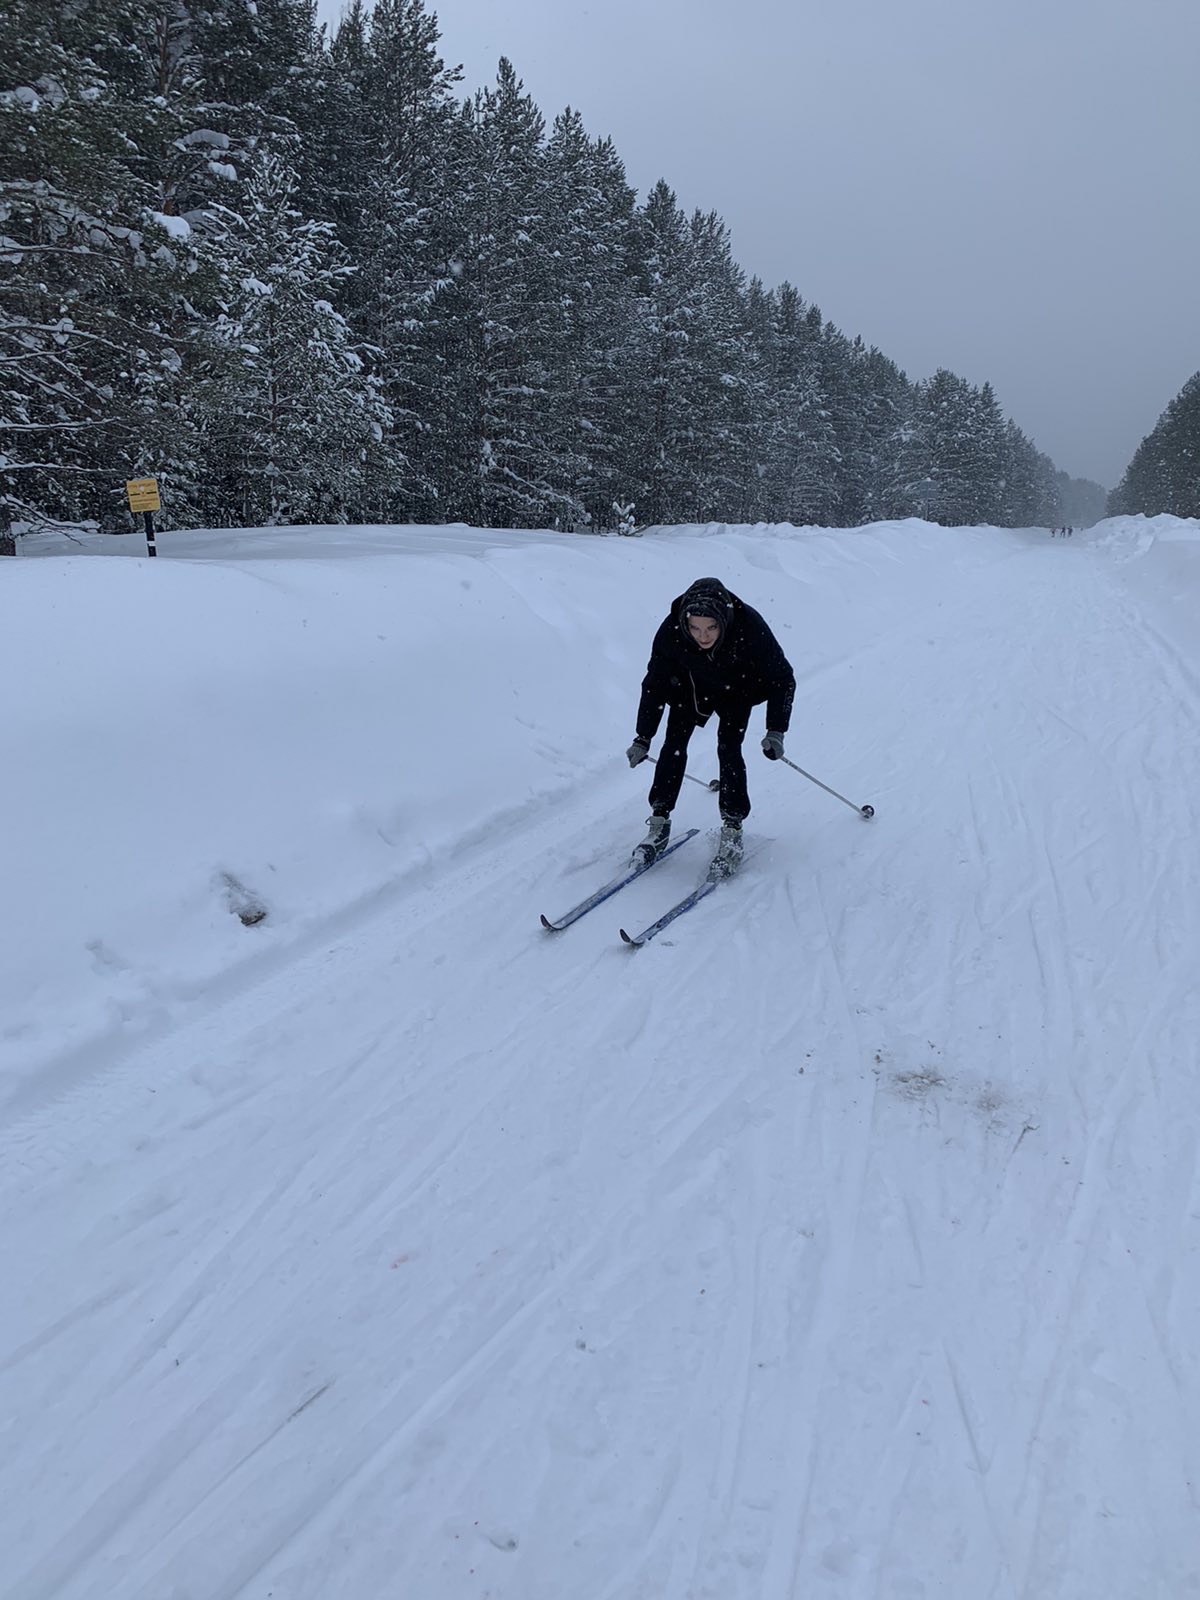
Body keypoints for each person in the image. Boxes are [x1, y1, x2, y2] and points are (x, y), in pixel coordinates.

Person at [625, 576, 796, 878]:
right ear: (685, 623)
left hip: (736, 689)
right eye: (695, 628)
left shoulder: (749, 626)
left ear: (723, 622)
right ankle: (659, 822)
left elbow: (783, 678)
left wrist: (776, 731)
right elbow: (653, 684)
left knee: (728, 747)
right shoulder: (671, 631)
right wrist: (643, 736)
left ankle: (732, 827)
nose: (703, 636)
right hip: (688, 688)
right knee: (673, 745)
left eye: (711, 628)